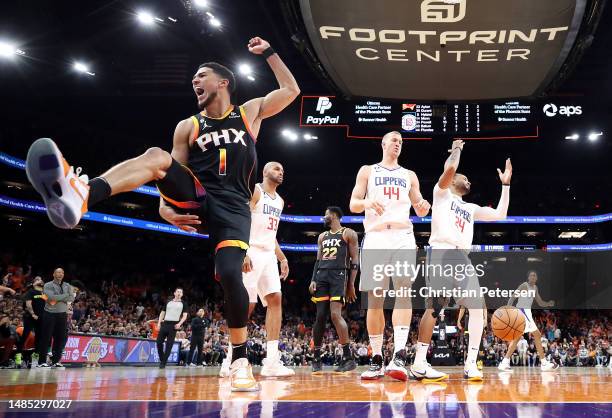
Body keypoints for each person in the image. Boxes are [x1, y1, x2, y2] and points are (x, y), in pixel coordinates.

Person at [25, 36, 299, 391]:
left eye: (201, 76)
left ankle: (241, 359)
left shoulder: (248, 112)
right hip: (200, 198)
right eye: (193, 79)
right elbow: (167, 173)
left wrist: (270, 54)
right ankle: (82, 196)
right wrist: (163, 210)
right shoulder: (188, 126)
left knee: (232, 274)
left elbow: (291, 89)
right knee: (155, 155)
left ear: (223, 82)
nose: (194, 81)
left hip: (234, 208)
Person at [410, 139, 511, 382]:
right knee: (435, 307)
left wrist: (505, 186)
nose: (469, 181)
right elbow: (450, 169)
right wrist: (456, 149)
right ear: (453, 180)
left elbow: (500, 214)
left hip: (463, 257)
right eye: (464, 178)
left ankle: (471, 364)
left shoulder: (471, 207)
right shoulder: (441, 193)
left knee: (478, 308)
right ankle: (419, 363)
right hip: (442, 251)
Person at [349, 131, 431, 381]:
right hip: (375, 236)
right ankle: (375, 358)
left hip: (403, 236)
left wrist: (422, 206)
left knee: (403, 292)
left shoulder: (409, 175)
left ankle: (398, 356)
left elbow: (419, 205)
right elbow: (353, 203)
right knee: (376, 298)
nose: (398, 144)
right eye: (394, 140)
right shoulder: (367, 170)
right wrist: (367, 204)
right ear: (383, 143)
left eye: (401, 142)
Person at [220, 162, 293, 377]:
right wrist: (242, 250)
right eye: (277, 169)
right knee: (247, 304)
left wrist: (282, 257)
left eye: (282, 170)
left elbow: (272, 234)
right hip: (250, 250)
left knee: (276, 299)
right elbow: (239, 219)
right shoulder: (255, 190)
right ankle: (230, 360)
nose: (281, 172)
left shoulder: (279, 201)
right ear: (265, 171)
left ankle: (271, 361)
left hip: (268, 254)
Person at [309, 207, 359, 374]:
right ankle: (316, 357)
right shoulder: (322, 237)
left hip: (339, 275)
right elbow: (317, 260)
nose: (324, 217)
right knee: (320, 316)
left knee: (335, 315)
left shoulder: (348, 233)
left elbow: (355, 261)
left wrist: (351, 284)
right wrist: (313, 279)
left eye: (326, 214)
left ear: (335, 215)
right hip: (322, 275)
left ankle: (348, 358)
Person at [498, 270, 558, 372]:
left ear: (536, 278)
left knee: (517, 338)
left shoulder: (535, 288)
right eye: (531, 275)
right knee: (537, 335)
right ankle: (544, 363)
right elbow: (513, 297)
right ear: (528, 278)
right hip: (522, 311)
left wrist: (548, 304)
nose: (533, 277)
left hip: (526, 312)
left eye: (535, 275)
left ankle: (504, 362)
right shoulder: (524, 286)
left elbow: (540, 302)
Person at [36, 268, 77, 368]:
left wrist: (59, 297)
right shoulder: (48, 285)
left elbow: (71, 298)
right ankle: (41, 362)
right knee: (46, 337)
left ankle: (55, 361)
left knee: (60, 338)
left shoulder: (67, 285)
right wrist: (65, 295)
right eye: (58, 272)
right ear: (53, 274)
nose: (60, 274)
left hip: (62, 314)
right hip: (49, 313)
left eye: (62, 272)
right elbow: (51, 298)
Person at [16, 276, 46, 367]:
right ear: (34, 282)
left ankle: (35, 358)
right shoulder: (31, 292)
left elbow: (51, 304)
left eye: (41, 279)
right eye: (37, 279)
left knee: (39, 338)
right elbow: (28, 304)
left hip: (41, 318)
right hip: (30, 317)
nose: (40, 280)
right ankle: (18, 357)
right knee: (25, 335)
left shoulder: (44, 293)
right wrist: (33, 314)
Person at [157, 287, 188, 369]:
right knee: (158, 342)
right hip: (165, 323)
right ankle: (162, 358)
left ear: (182, 294)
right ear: (174, 293)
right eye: (177, 292)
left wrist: (179, 323)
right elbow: (162, 313)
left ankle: (163, 363)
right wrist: (159, 323)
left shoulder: (183, 303)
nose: (179, 293)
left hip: (174, 325)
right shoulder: (168, 301)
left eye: (180, 292)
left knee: (169, 345)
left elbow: (185, 316)